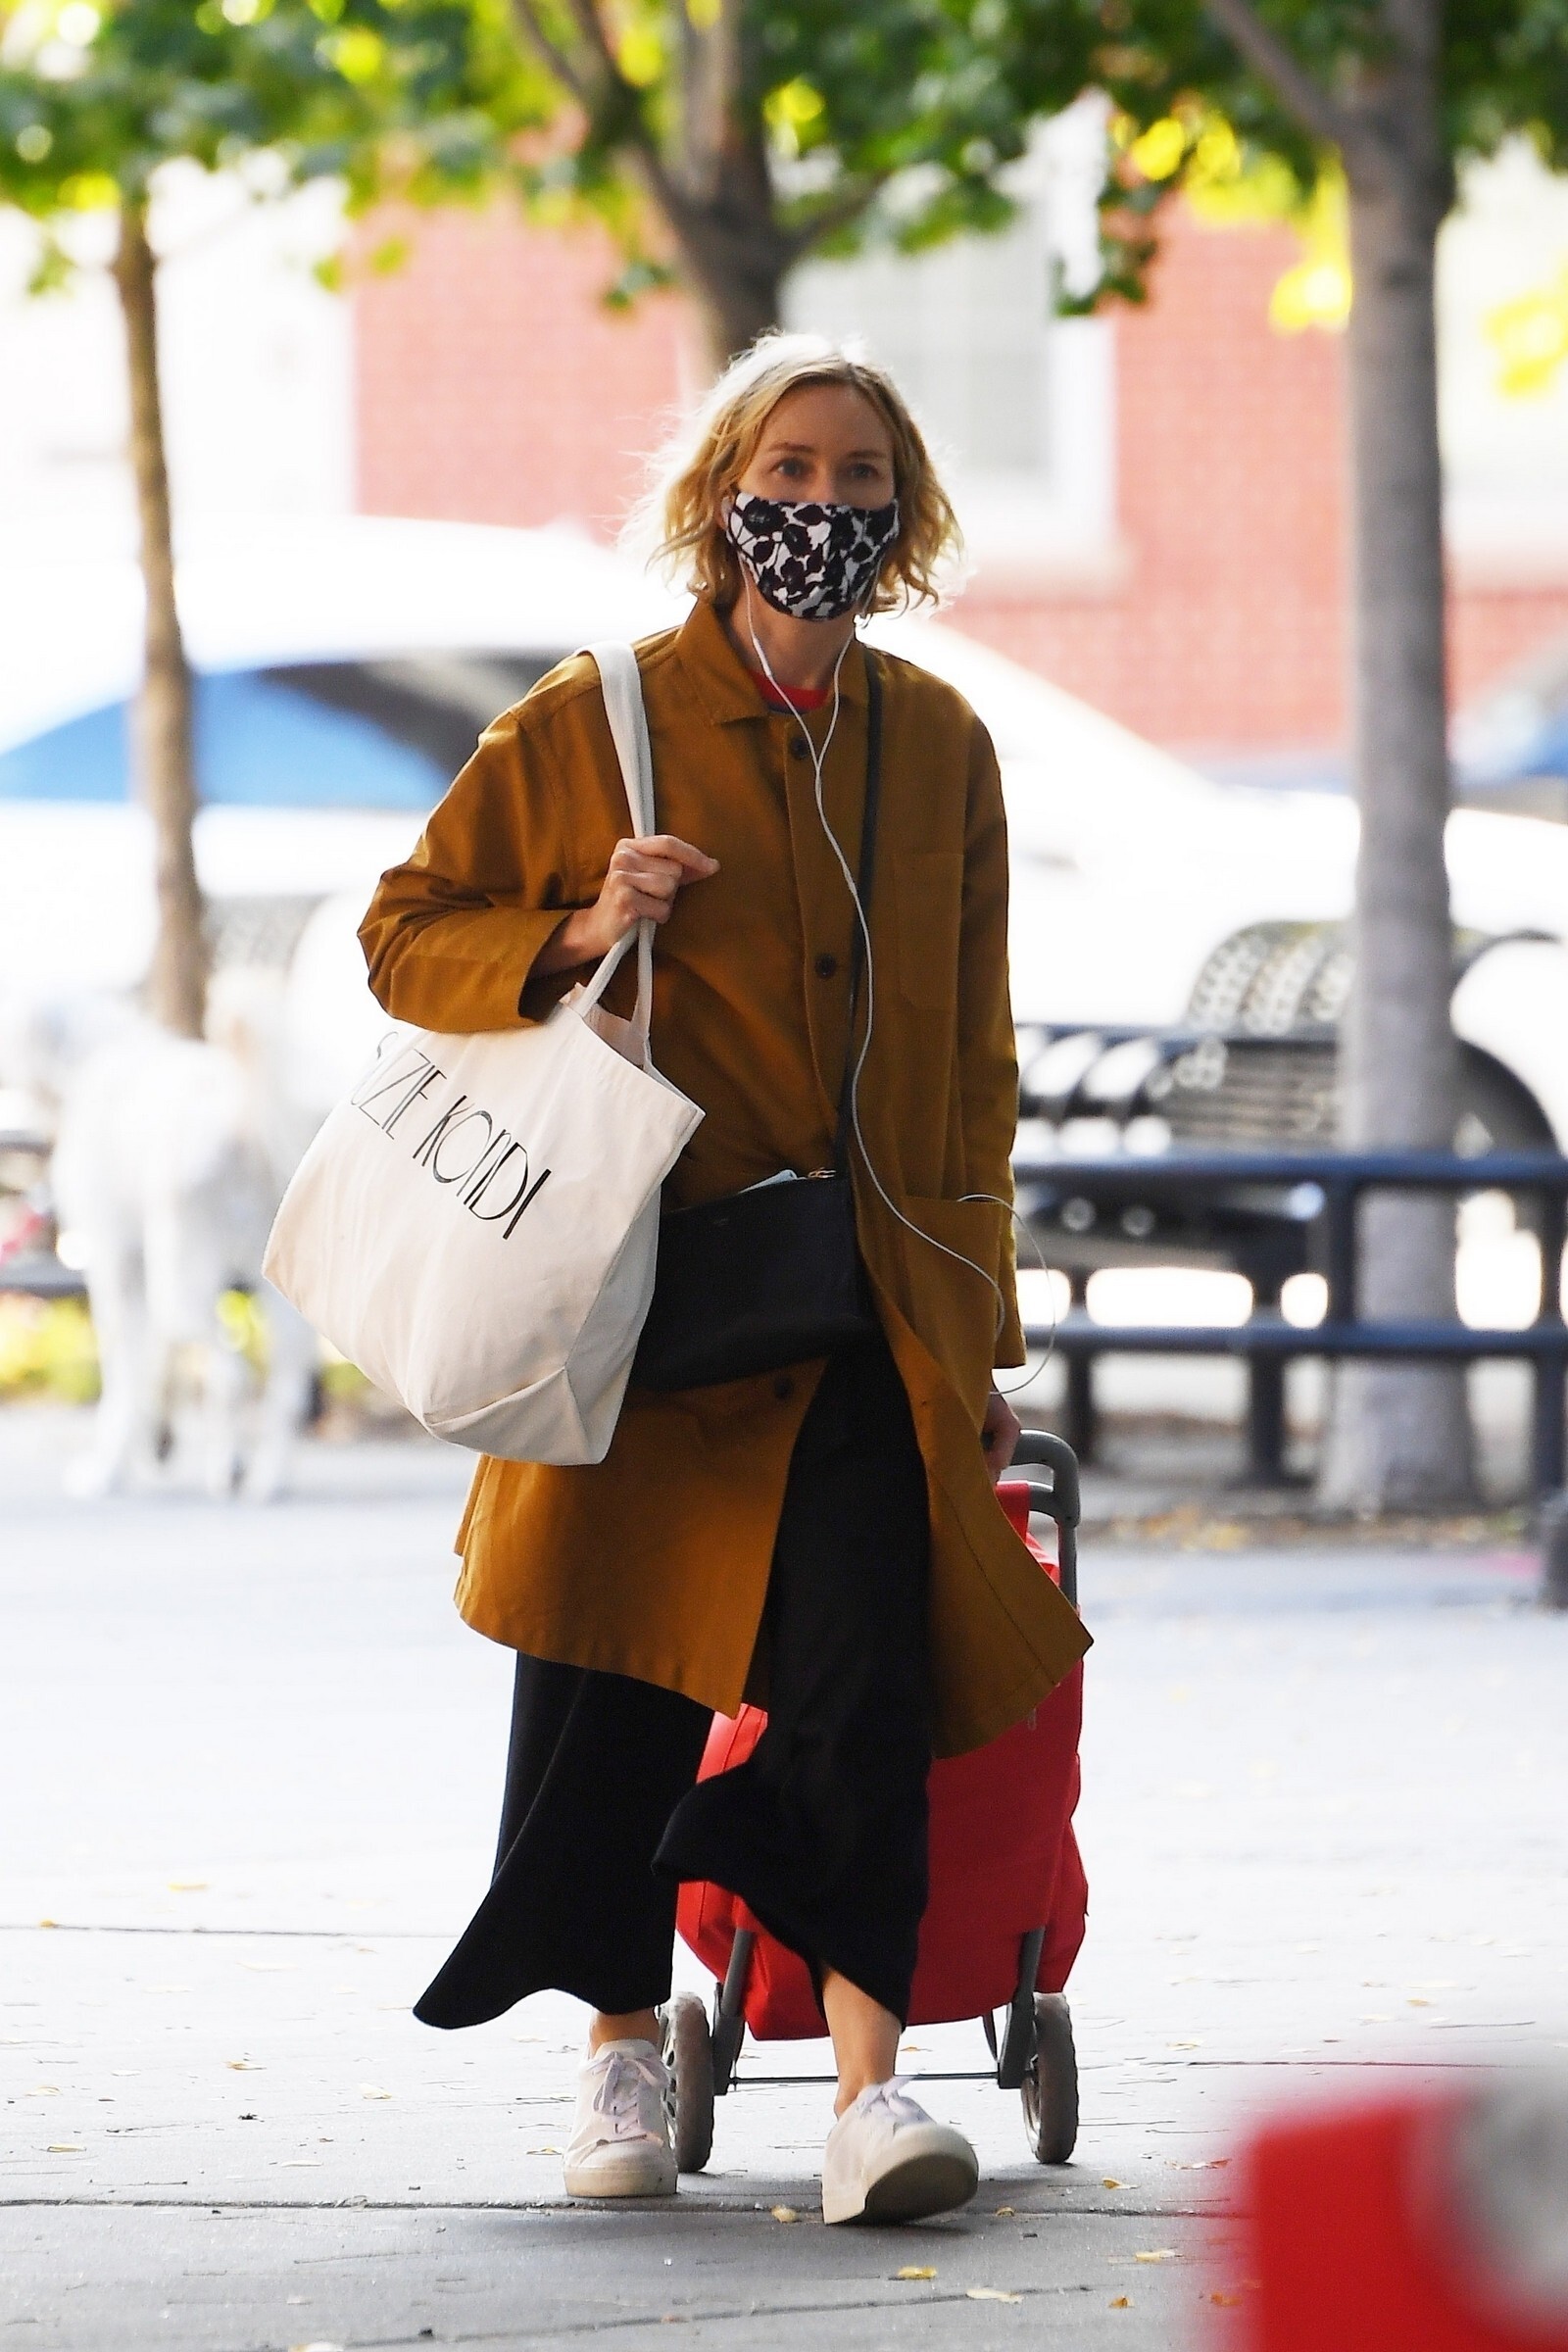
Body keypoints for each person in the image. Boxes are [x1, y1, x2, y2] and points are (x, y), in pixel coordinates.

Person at [358, 334, 1087, 2226]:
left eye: (863, 479)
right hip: (638, 1298)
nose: (824, 506)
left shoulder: (940, 745)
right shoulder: (593, 718)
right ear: (721, 496)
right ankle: (620, 2052)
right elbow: (404, 935)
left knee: (859, 1686)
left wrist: (979, 1334)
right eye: (792, 470)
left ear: (905, 516)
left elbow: (976, 1059)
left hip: (857, 1303)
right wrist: (580, 923)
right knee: (608, 1678)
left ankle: (867, 2093)